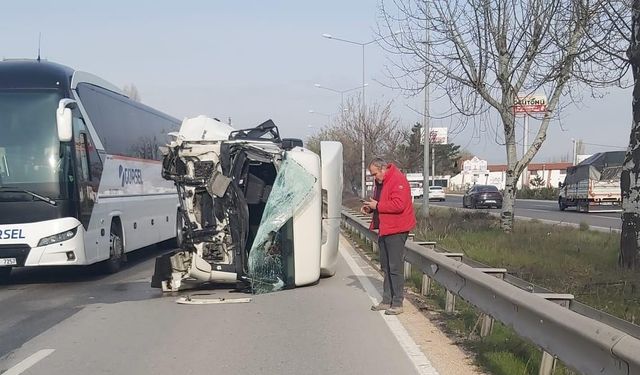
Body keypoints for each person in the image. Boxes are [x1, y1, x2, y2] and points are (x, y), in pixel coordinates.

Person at [361, 158, 416, 315]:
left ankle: (397, 302)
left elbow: (399, 205)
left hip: (397, 228)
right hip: (385, 227)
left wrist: (377, 206)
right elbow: (380, 202)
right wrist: (371, 208)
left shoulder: (398, 180)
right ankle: (387, 300)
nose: (374, 177)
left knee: (394, 267)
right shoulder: (381, 182)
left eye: (375, 174)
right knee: (385, 265)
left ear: (383, 169)